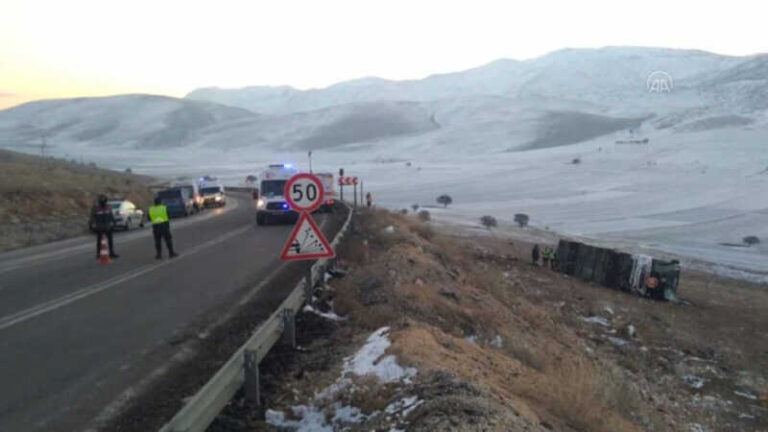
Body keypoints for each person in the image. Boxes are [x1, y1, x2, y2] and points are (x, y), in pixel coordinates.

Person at [91, 194, 119, 259]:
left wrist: (114, 223)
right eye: (102, 199)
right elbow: (92, 217)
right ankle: (98, 254)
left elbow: (111, 215)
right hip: (100, 227)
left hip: (108, 226)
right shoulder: (96, 208)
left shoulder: (108, 207)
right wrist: (92, 226)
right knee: (99, 241)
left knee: (110, 240)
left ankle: (111, 253)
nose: (103, 201)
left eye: (104, 199)